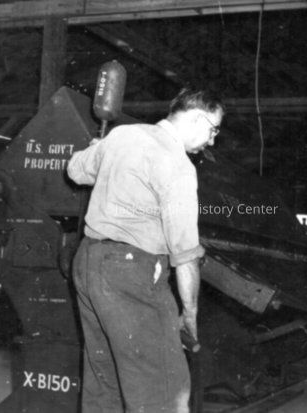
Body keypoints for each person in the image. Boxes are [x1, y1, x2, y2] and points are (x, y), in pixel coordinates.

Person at [67, 88, 224, 413]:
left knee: (105, 385)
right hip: (133, 275)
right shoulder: (178, 165)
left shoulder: (122, 135)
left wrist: (98, 150)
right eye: (213, 130)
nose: (212, 141)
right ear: (197, 119)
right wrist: (190, 314)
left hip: (87, 263)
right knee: (163, 390)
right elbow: (185, 256)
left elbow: (75, 170)